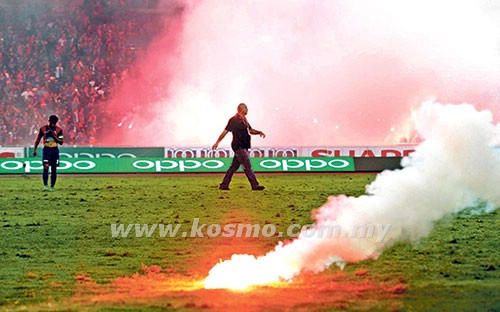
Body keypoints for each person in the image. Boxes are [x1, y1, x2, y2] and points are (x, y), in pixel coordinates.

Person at [212, 103, 266, 190]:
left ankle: (224, 185)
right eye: (246, 108)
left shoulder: (245, 120)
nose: (248, 110)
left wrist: (259, 132)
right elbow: (225, 131)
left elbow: (250, 130)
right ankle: (254, 185)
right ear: (242, 109)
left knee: (234, 167)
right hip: (238, 146)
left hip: (244, 146)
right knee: (247, 165)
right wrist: (217, 142)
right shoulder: (233, 120)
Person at [33, 115, 64, 191]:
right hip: (47, 149)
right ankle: (46, 186)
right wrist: (35, 149)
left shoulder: (59, 130)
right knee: (46, 167)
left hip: (54, 150)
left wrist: (53, 136)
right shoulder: (43, 128)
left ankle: (52, 186)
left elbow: (61, 142)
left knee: (54, 169)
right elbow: (38, 139)